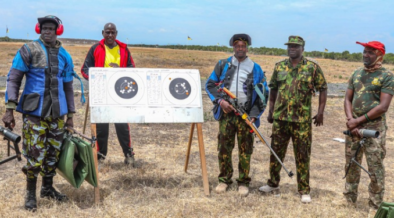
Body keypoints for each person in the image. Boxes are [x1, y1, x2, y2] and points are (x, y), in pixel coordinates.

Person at [2, 15, 75, 211]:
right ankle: (30, 195)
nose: (47, 31)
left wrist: (70, 117)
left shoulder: (65, 56)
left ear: (57, 31)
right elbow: (13, 79)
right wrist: (9, 109)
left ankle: (48, 189)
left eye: (51, 28)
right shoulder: (28, 50)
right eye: (44, 28)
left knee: (53, 153)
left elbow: (68, 87)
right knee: (35, 155)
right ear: (38, 29)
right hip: (35, 113)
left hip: (57, 115)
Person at [258, 36, 327, 203]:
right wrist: (271, 110)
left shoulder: (312, 68)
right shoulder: (280, 66)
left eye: (295, 46)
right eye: (290, 46)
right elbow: (273, 89)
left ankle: (304, 189)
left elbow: (323, 88)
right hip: (281, 119)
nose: (292, 49)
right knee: (276, 152)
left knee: (303, 155)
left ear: (302, 48)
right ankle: (273, 183)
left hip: (301, 121)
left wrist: (320, 112)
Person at [205, 33, 269, 197]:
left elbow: (263, 94)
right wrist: (220, 102)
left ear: (247, 48)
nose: (240, 48)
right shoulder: (223, 65)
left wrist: (254, 115)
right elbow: (210, 85)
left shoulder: (255, 68)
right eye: (237, 45)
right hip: (227, 115)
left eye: (243, 46)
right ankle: (224, 180)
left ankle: (243, 182)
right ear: (233, 47)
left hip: (245, 116)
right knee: (224, 148)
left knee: (245, 149)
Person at [343, 41, 393, 211]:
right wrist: (351, 120)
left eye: (370, 53)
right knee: (351, 164)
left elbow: (383, 107)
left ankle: (375, 204)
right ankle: (349, 199)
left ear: (380, 55)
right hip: (353, 128)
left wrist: (358, 121)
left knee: (375, 167)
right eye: (364, 52)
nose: (366, 55)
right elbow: (347, 99)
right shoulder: (356, 73)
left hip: (374, 129)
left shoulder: (387, 76)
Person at [81, 23, 135, 166]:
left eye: (112, 32)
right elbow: (85, 69)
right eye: (107, 32)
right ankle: (100, 156)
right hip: (101, 93)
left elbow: (132, 69)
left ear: (116, 33)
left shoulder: (123, 49)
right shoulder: (95, 48)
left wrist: (120, 71)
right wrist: (96, 77)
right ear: (102, 33)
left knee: (122, 125)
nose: (110, 35)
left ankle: (128, 155)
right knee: (101, 127)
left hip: (120, 94)